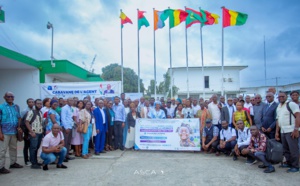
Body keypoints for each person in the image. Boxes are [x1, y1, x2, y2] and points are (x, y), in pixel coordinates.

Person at [275, 92, 299, 173]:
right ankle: (288, 163)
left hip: (291, 130)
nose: (281, 98)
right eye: (279, 96)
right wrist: (277, 132)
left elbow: (298, 116)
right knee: (285, 149)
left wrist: (296, 129)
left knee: (293, 149)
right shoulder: (279, 106)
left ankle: (295, 166)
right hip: (283, 130)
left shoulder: (291, 104)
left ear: (286, 97)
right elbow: (278, 120)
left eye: (283, 96)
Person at [0, 92, 23, 174]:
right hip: (4, 132)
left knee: (13, 148)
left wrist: (19, 127)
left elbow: (19, 117)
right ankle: (1, 167)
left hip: (14, 132)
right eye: (8, 96)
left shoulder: (16, 107)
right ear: (4, 97)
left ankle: (13, 163)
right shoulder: (1, 107)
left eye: (12, 96)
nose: (10, 98)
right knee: (2, 150)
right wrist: (0, 133)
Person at [25, 99, 43, 169]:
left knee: (36, 148)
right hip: (34, 133)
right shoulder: (31, 112)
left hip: (40, 133)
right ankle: (33, 163)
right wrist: (31, 132)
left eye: (41, 104)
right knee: (33, 148)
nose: (39, 105)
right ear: (35, 104)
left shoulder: (40, 112)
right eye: (38, 104)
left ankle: (35, 161)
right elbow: (27, 122)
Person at [21, 98, 34, 166]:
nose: (31, 103)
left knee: (32, 146)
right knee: (26, 146)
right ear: (27, 103)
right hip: (27, 131)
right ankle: (26, 160)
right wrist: (25, 132)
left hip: (33, 132)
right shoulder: (24, 111)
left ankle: (32, 159)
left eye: (32, 102)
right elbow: (22, 122)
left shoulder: (35, 110)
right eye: (30, 102)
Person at [61, 97, 75, 162]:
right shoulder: (64, 108)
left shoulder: (70, 108)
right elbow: (63, 119)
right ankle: (63, 157)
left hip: (70, 127)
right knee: (65, 143)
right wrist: (66, 128)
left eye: (72, 100)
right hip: (66, 128)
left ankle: (67, 155)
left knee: (68, 143)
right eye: (70, 100)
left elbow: (70, 118)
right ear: (67, 101)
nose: (71, 101)